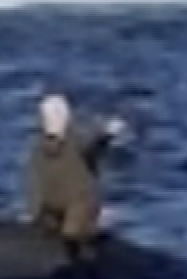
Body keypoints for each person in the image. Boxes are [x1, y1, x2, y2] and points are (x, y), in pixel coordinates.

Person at [24, 93, 129, 267]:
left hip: (54, 212)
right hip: (72, 216)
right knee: (78, 224)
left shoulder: (39, 149)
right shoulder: (74, 141)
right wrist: (109, 133)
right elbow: (94, 143)